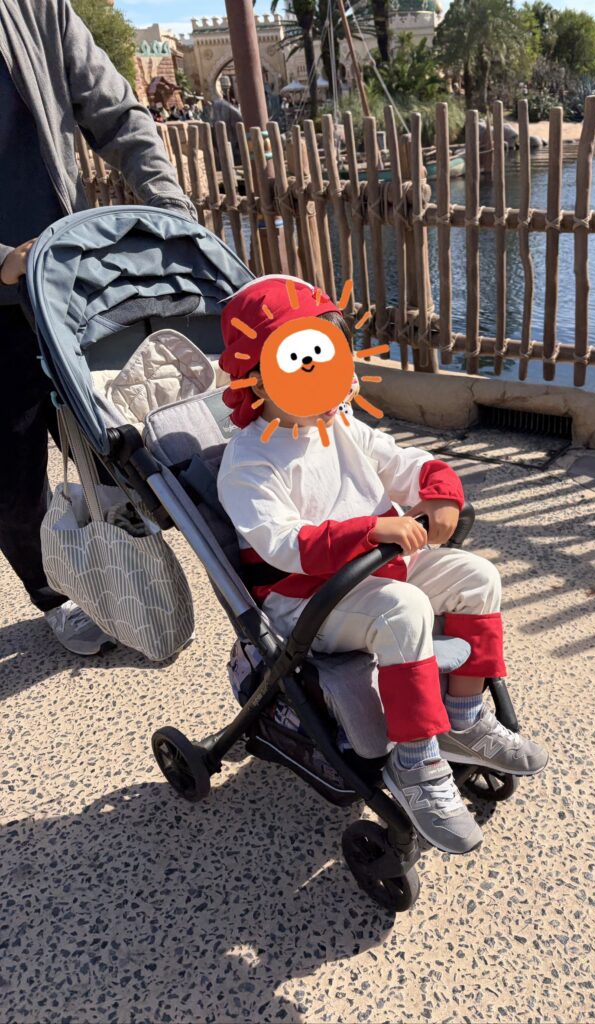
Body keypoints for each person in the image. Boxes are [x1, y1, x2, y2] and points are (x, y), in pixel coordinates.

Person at [216, 277, 549, 854]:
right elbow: (283, 544)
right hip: (306, 602)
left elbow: (403, 463)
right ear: (260, 378)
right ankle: (414, 764)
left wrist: (439, 492)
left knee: (478, 578)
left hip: (372, 573)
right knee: (405, 609)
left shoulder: (339, 426)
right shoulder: (250, 461)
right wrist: (371, 530)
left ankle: (464, 717)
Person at [0, 0, 197, 655]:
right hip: (3, 294)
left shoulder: (36, 10)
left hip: (65, 283)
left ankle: (125, 576)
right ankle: (52, 596)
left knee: (117, 447)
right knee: (15, 482)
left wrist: (170, 208)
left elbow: (118, 113)